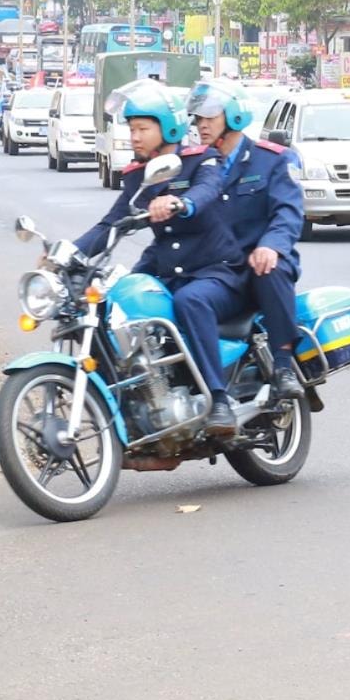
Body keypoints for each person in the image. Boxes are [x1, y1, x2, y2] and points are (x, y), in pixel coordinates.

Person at [72, 80, 242, 436]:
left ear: (169, 127)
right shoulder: (138, 177)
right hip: (168, 268)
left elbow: (208, 189)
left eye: (142, 129)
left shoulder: (201, 160)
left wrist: (183, 202)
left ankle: (219, 399)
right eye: (131, 129)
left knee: (190, 301)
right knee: (117, 301)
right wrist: (65, 254)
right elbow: (111, 223)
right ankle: (141, 401)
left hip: (216, 271)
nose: (134, 137)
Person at [186, 78, 308, 405]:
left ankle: (283, 365)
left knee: (269, 267)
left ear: (235, 116)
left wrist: (271, 245)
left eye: (210, 117)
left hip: (259, 265)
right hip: (218, 272)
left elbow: (288, 212)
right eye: (198, 119)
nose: (202, 126)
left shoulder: (272, 160)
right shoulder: (196, 164)